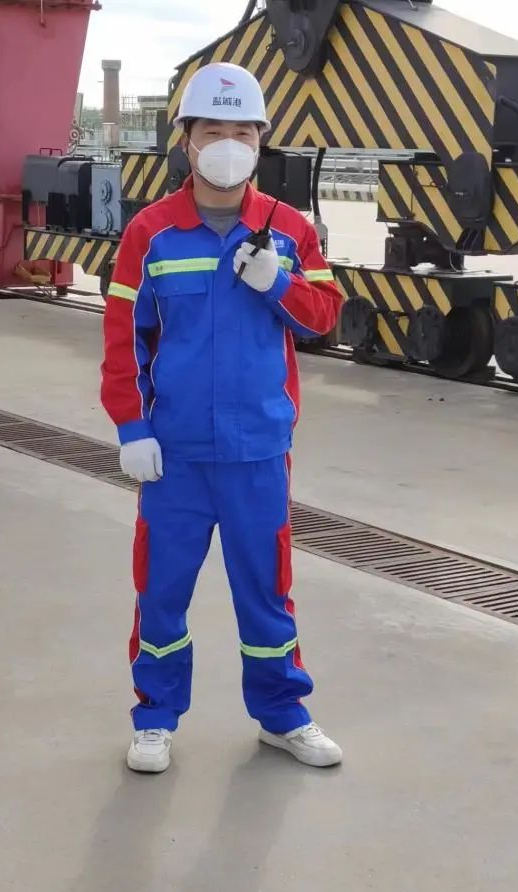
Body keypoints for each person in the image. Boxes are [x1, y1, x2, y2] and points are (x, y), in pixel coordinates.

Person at [101, 61, 343, 773]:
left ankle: (282, 715)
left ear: (261, 141)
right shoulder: (150, 233)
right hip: (174, 456)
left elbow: (324, 317)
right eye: (214, 131)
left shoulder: (289, 230)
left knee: (266, 593)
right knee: (161, 592)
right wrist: (131, 428)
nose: (228, 145)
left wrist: (279, 283)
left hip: (257, 451)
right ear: (187, 140)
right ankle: (154, 717)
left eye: (243, 132)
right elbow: (123, 337)